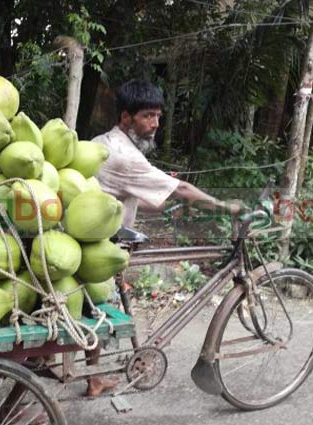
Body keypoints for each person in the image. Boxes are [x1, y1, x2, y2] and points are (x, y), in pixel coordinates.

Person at [85, 79, 243, 396]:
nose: (155, 124)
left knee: (96, 313)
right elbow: (182, 189)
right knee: (99, 309)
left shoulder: (103, 141)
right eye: (148, 116)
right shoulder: (124, 156)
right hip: (101, 250)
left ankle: (93, 379)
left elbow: (126, 193)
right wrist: (226, 207)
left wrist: (170, 203)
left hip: (97, 240)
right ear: (126, 117)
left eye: (158, 116)